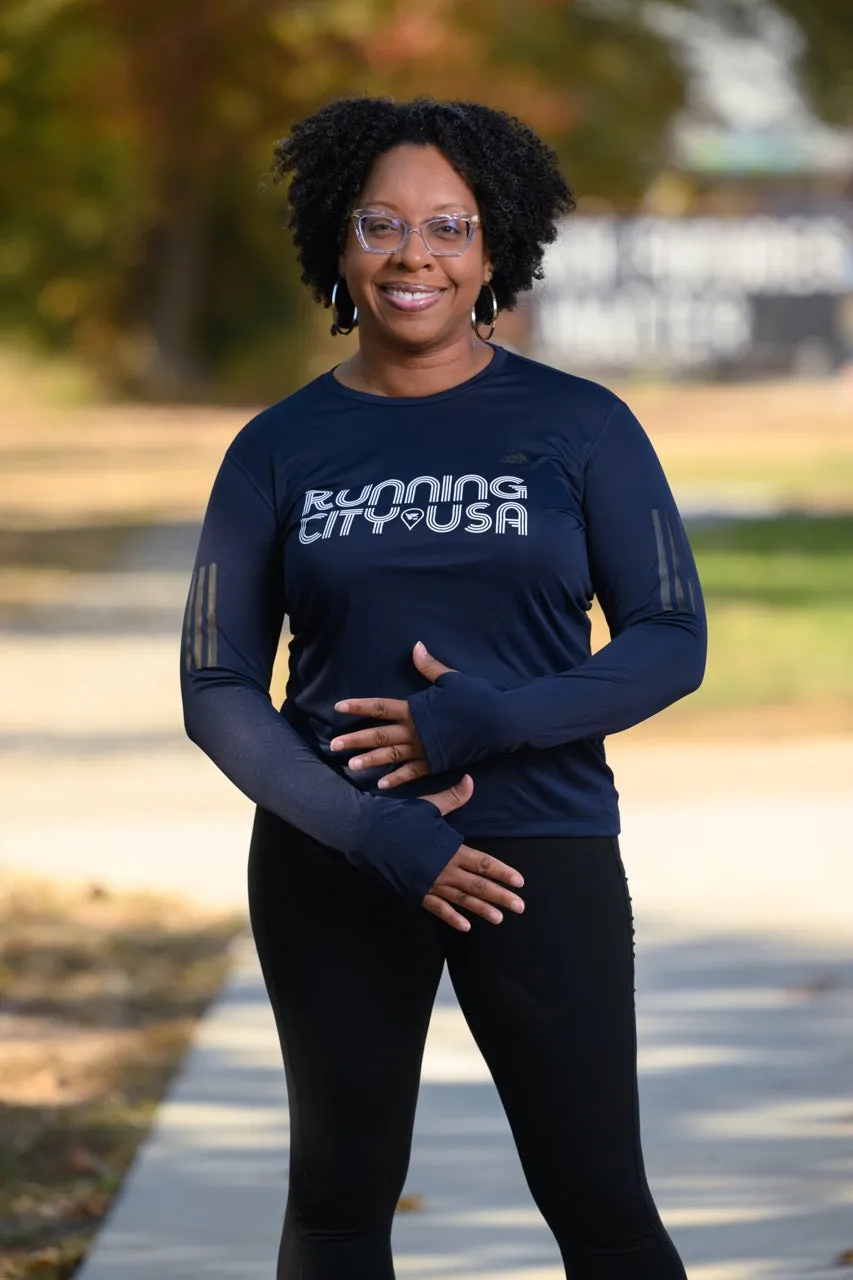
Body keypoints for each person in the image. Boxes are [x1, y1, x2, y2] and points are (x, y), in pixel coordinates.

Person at [180, 96, 706, 1280]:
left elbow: (671, 634)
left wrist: (494, 714)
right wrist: (372, 829)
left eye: (448, 226)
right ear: (336, 243)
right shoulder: (275, 447)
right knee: (337, 1197)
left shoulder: (582, 425)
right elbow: (216, 683)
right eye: (379, 224)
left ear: (492, 250)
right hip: (335, 853)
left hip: (538, 847)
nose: (413, 254)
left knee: (601, 1200)